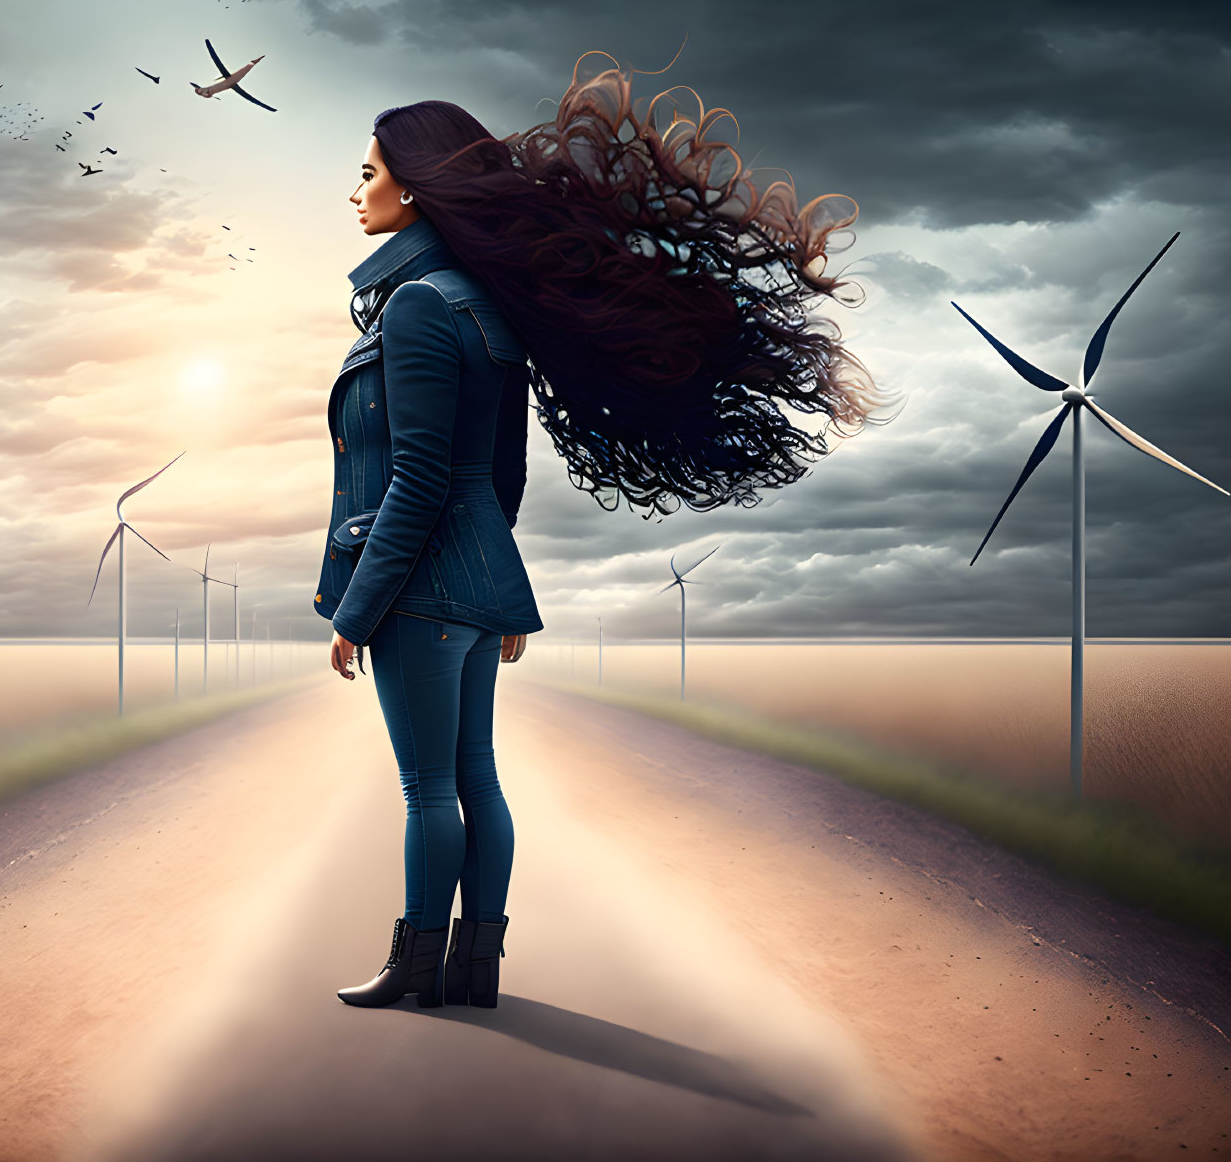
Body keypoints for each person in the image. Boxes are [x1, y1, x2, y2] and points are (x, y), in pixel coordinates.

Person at [314, 50, 900, 1011]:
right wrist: (497, 588)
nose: (357, 194)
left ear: (416, 192)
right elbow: (499, 471)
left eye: (370, 173)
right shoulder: (482, 308)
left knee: (430, 791)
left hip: (417, 590)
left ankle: (418, 967)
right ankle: (476, 969)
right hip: (474, 582)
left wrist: (356, 611)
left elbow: (419, 478)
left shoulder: (418, 306)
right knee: (476, 778)